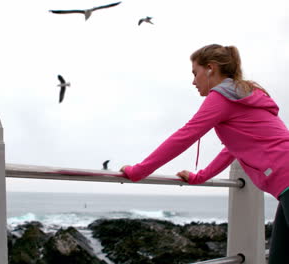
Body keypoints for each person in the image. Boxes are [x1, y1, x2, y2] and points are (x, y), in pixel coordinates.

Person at [119, 44, 289, 264]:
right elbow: (231, 150)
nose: (193, 81)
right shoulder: (242, 94)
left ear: (210, 68)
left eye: (195, 73)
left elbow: (185, 136)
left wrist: (139, 171)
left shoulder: (222, 97)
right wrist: (201, 177)